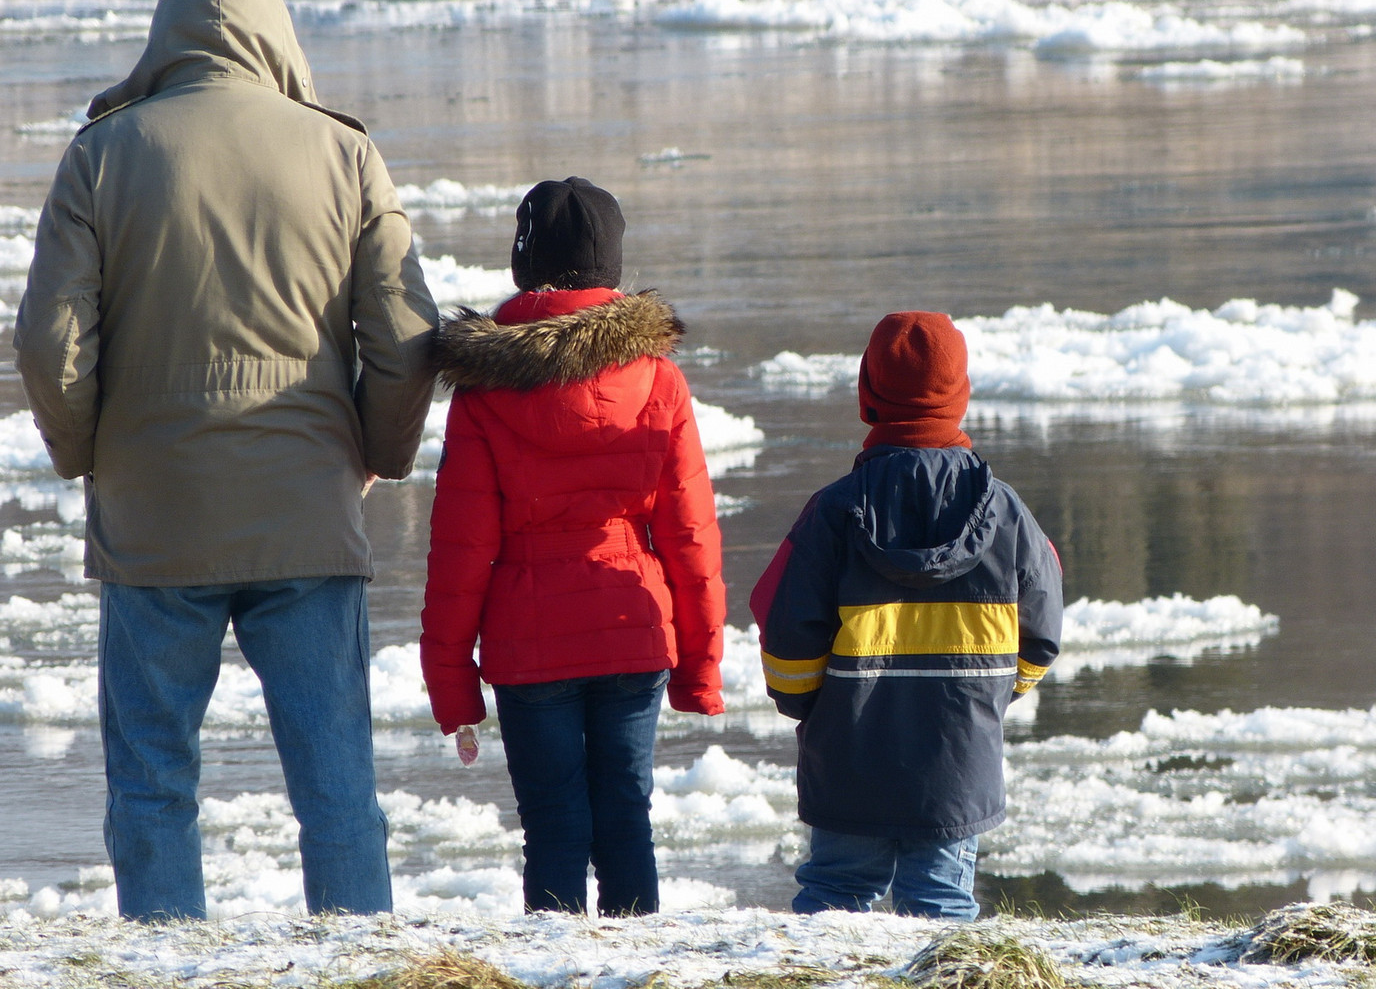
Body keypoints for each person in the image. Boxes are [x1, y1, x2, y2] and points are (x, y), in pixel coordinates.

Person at [13, 0, 438, 921]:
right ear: (277, 38)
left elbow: (49, 340)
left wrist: (89, 455)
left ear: (164, 41)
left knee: (154, 782)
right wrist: (375, 455)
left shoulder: (103, 152)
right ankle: (357, 963)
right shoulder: (345, 154)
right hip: (307, 513)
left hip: (155, 518)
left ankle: (166, 962)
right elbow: (410, 342)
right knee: (336, 785)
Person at [419, 177, 726, 917]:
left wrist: (452, 684)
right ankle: (634, 963)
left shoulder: (486, 391)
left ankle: (553, 965)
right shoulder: (659, 378)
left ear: (527, 265)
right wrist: (700, 666)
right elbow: (690, 534)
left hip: (530, 645)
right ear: (612, 269)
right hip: (633, 631)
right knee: (626, 816)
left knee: (553, 826)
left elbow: (460, 554)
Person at [750, 311, 1061, 920]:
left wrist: (810, 706)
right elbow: (1042, 629)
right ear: (961, 397)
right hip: (958, 757)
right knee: (941, 910)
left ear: (869, 396)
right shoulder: (1006, 513)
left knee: (834, 904)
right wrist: (995, 693)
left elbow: (785, 632)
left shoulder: (832, 512)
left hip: (849, 756)